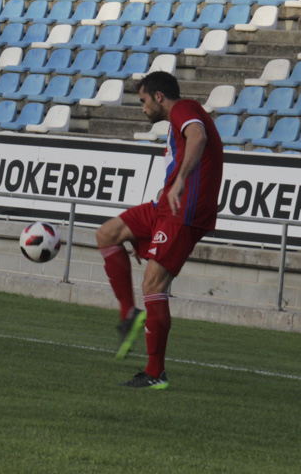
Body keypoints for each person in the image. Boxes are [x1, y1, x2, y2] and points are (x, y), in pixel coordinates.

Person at [95, 71, 223, 389]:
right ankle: (129, 314)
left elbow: (199, 137)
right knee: (107, 234)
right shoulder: (176, 120)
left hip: (183, 212)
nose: (142, 108)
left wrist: (181, 179)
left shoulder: (184, 109)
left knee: (153, 282)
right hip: (163, 208)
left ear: (159, 97)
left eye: (143, 101)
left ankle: (156, 374)